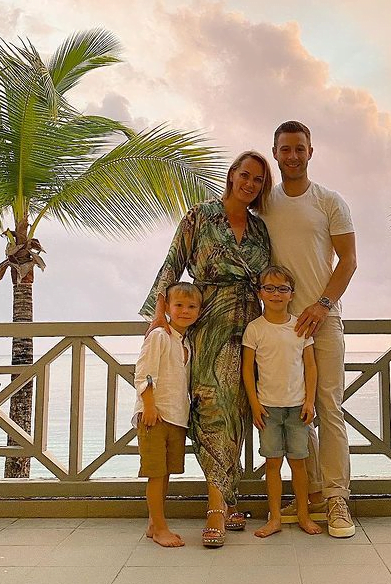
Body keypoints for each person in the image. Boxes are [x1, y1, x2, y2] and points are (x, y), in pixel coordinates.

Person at [139, 151, 272, 547]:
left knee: (237, 414)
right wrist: (158, 316)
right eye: (244, 175)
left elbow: (268, 279)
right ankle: (215, 507)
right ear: (232, 175)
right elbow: (172, 263)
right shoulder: (200, 216)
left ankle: (227, 500)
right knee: (212, 408)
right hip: (208, 323)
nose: (250, 184)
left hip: (248, 327)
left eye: (258, 180)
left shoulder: (260, 228)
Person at [260, 121, 357, 538]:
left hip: (323, 320)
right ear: (275, 153)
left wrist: (322, 305)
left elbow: (348, 261)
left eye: (300, 148)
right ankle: (313, 493)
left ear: (310, 152)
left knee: (329, 407)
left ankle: (337, 499)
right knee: (297, 409)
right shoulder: (265, 203)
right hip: (280, 325)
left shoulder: (329, 201)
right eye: (285, 149)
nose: (293, 156)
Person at [242, 265, 323, 538]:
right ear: (260, 293)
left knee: (299, 464)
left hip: (298, 408)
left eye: (282, 289)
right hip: (268, 409)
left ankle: (303, 515)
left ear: (291, 294)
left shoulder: (300, 327)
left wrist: (310, 401)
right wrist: (254, 404)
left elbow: (310, 366)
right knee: (273, 464)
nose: (276, 294)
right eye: (269, 288)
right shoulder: (255, 329)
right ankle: (275, 517)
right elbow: (247, 369)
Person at [133, 282, 201, 547]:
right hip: (156, 415)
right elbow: (144, 372)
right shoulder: (159, 335)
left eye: (192, 306)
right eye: (179, 305)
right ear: (167, 308)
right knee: (156, 474)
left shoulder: (186, 343)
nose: (185, 311)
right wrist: (149, 405)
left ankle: (154, 523)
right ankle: (160, 528)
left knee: (166, 474)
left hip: (176, 416)